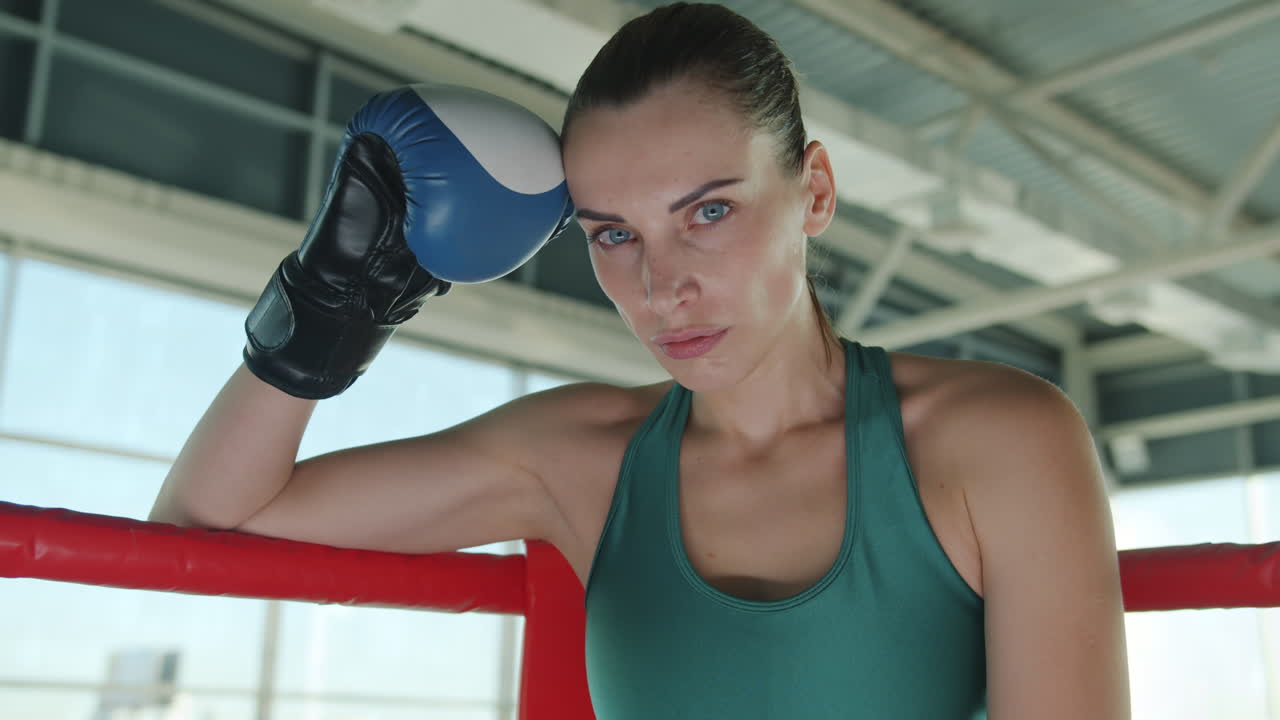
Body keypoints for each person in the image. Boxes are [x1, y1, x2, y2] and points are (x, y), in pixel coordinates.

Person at [150, 3, 1130, 718]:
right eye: (612, 234)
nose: (660, 286)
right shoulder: (576, 457)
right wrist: (332, 302)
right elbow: (204, 529)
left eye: (707, 212)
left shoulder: (998, 441)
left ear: (813, 193)